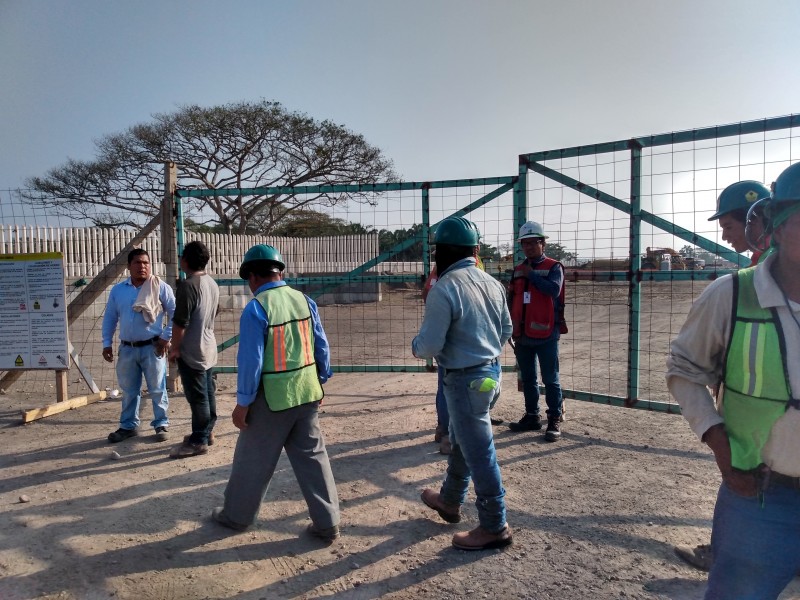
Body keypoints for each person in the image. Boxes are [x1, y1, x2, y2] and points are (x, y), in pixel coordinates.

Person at [666, 161, 800, 599]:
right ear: (775, 226)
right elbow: (684, 369)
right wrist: (725, 450)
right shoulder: (736, 291)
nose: (725, 236)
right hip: (765, 491)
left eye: (728, 225)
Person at [211, 244, 340, 543]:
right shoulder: (304, 300)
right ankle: (328, 522)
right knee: (313, 458)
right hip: (307, 392)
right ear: (280, 272)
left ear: (253, 277)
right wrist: (320, 380)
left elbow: (251, 361)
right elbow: (321, 345)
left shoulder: (257, 308)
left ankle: (237, 517)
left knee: (252, 460)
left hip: (271, 400)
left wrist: (243, 403)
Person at [673, 180, 771, 570]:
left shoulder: (756, 276)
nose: (725, 234)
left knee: (741, 478)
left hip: (755, 412)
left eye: (729, 225)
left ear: (755, 221)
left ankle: (726, 554)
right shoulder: (765, 268)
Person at [413, 216, 513, 551]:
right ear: (475, 250)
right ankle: (450, 499)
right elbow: (505, 332)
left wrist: (417, 345)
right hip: (491, 374)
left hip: (464, 381)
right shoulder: (492, 283)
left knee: (480, 451)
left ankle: (494, 526)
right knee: (465, 440)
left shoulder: (445, 288)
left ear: (442, 251)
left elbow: (427, 346)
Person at [102, 248, 175, 443]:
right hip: (127, 348)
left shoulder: (160, 287)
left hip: (153, 347)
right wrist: (106, 343)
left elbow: (177, 314)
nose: (142, 267)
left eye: (145, 263)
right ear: (128, 266)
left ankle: (161, 424)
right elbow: (110, 317)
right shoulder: (118, 290)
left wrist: (166, 337)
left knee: (158, 388)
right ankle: (128, 426)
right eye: (137, 263)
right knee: (129, 390)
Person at [507, 221, 565, 442]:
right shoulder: (518, 269)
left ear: (543, 243)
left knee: (550, 378)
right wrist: (511, 326)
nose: (529, 247)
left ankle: (554, 419)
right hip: (522, 334)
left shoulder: (553, 267)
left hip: (547, 333)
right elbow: (512, 298)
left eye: (533, 243)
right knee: (529, 378)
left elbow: (553, 290)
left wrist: (532, 275)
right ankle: (532, 416)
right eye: (525, 243)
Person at [167, 241, 220, 459]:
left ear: (185, 260)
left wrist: (175, 348)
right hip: (208, 346)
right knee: (207, 393)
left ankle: (198, 440)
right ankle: (207, 433)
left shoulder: (188, 286)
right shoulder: (211, 283)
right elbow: (216, 310)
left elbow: (180, 322)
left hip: (193, 349)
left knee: (198, 397)